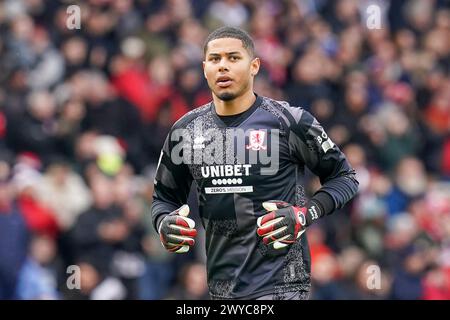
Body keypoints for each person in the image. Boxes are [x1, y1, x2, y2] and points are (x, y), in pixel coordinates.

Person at [151, 26, 359, 300]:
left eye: (233, 58)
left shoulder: (290, 121)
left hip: (283, 288)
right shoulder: (185, 131)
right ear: (204, 69)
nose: (223, 66)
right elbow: (163, 199)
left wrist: (305, 214)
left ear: (254, 66)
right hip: (222, 291)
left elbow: (345, 178)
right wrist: (164, 223)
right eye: (215, 59)